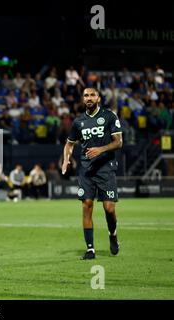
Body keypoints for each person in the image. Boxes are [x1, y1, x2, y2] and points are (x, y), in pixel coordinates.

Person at [61, 87, 122, 260]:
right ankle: (90, 249)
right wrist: (66, 159)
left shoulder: (109, 116)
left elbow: (118, 142)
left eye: (92, 95)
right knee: (86, 206)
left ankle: (113, 234)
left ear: (98, 98)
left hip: (105, 167)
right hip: (86, 170)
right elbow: (69, 144)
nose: (89, 98)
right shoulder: (78, 122)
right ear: (83, 99)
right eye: (86, 95)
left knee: (109, 208)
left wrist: (100, 150)